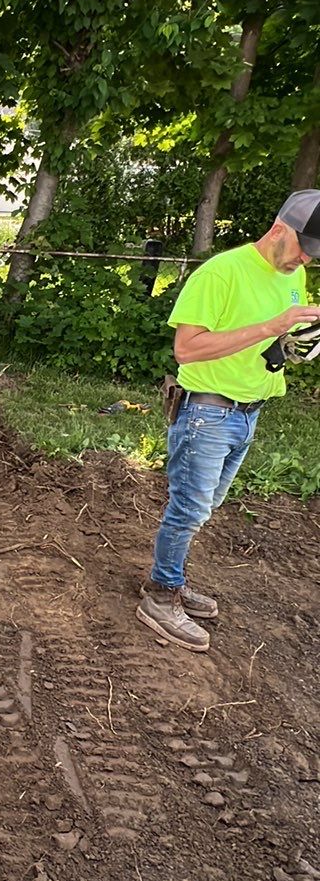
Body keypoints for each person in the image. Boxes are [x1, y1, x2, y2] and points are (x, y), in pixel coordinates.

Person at [137, 190, 320, 652]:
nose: (305, 261)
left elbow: (276, 335)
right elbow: (188, 349)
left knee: (204, 507)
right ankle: (160, 595)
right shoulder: (222, 272)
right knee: (189, 510)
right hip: (207, 411)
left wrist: (291, 347)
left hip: (248, 412)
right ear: (280, 228)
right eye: (303, 248)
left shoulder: (294, 273)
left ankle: (170, 579)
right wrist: (271, 327)